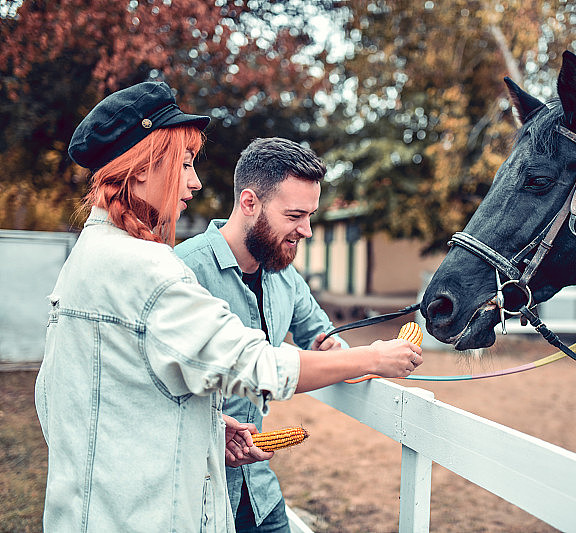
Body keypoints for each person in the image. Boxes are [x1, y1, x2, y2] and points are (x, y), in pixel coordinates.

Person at [34, 81, 423, 532]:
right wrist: (375, 356)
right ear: (142, 168)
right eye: (184, 164)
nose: (195, 182)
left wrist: (208, 428)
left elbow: (91, 396)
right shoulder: (154, 269)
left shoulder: (86, 258)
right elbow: (256, 365)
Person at [175, 137, 346, 532]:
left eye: (310, 215)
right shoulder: (182, 271)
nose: (306, 230)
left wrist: (334, 348)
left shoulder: (283, 274)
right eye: (295, 215)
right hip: (195, 496)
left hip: (260, 493)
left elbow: (321, 336)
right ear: (249, 203)